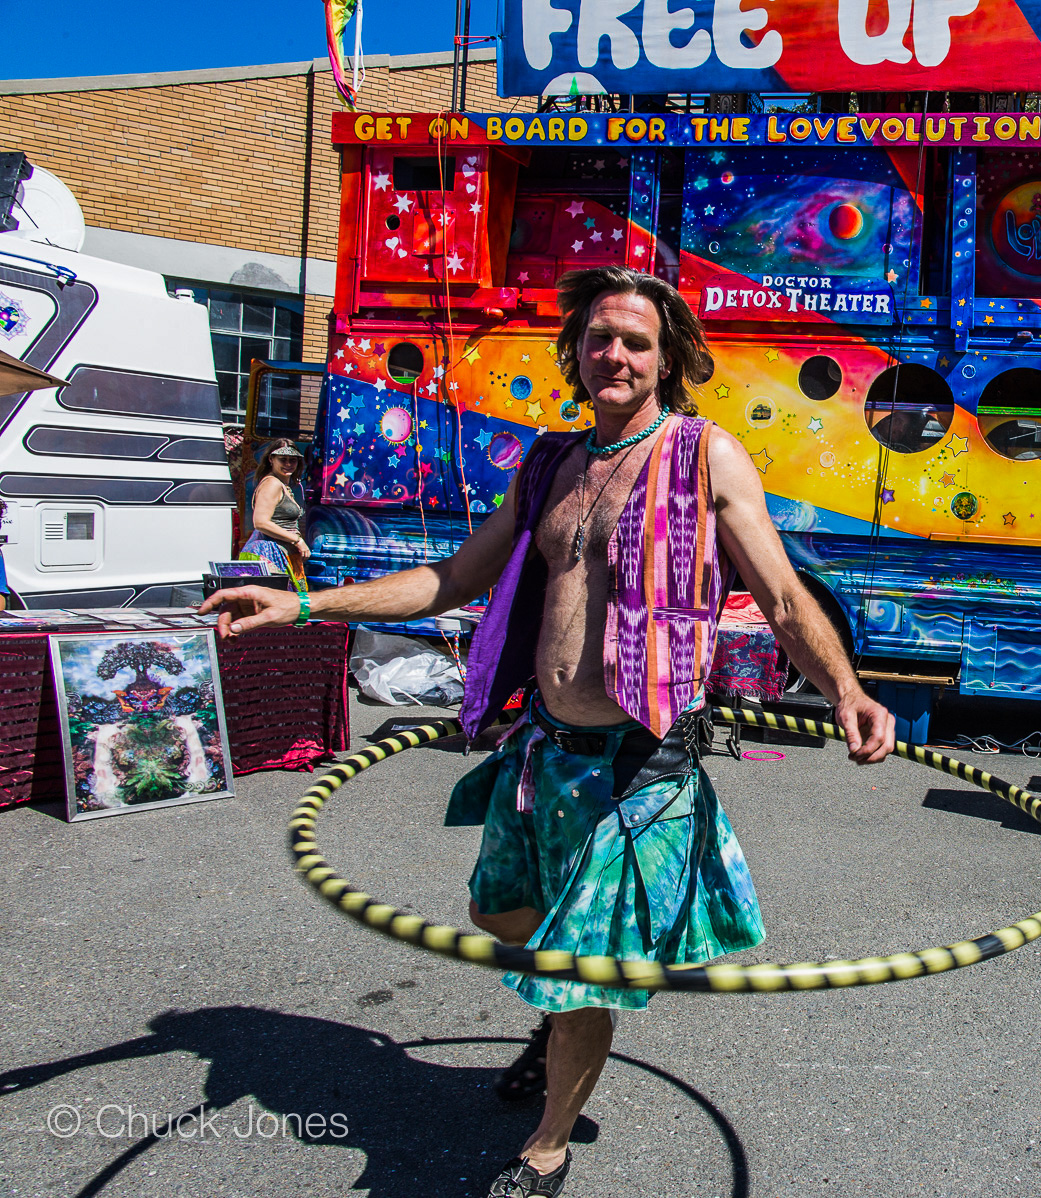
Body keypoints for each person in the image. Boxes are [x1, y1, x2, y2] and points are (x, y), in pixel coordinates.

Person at [200, 266, 895, 1198]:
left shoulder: (704, 455)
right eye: (599, 337)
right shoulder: (547, 466)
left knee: (579, 978)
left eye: (635, 341)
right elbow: (449, 580)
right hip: (544, 753)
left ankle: (546, 1150)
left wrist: (846, 687)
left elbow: (777, 595)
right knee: (500, 918)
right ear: (574, 353)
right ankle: (559, 1029)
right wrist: (299, 604)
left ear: (669, 358)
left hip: (638, 766)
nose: (614, 354)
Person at [240, 440, 311, 593]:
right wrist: (297, 540)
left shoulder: (283, 485)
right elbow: (260, 522)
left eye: (292, 460)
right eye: (282, 459)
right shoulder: (271, 483)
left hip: (282, 553)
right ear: (271, 459)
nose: (288, 464)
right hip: (268, 554)